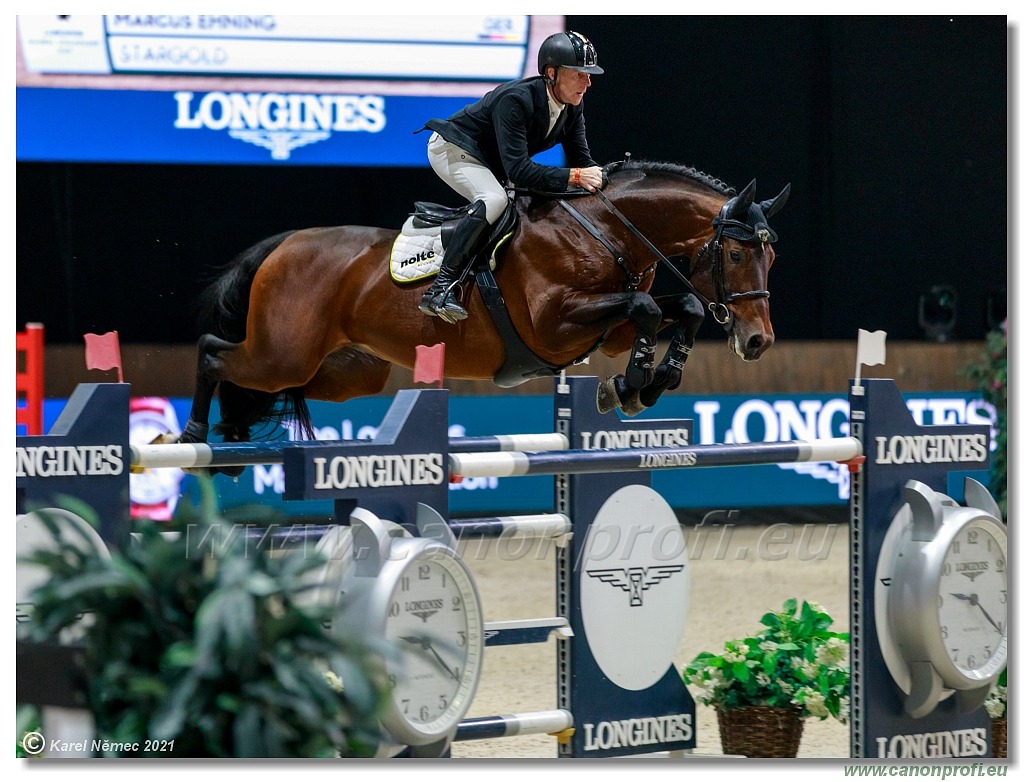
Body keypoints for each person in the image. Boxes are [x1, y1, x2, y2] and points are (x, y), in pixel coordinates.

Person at [417, 30, 607, 321]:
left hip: (488, 159)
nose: (588, 82)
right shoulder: (516, 100)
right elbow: (519, 171)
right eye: (580, 73)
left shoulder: (572, 108)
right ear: (552, 73)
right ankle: (440, 289)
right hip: (452, 148)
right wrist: (578, 177)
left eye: (589, 74)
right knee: (494, 200)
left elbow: (584, 163)